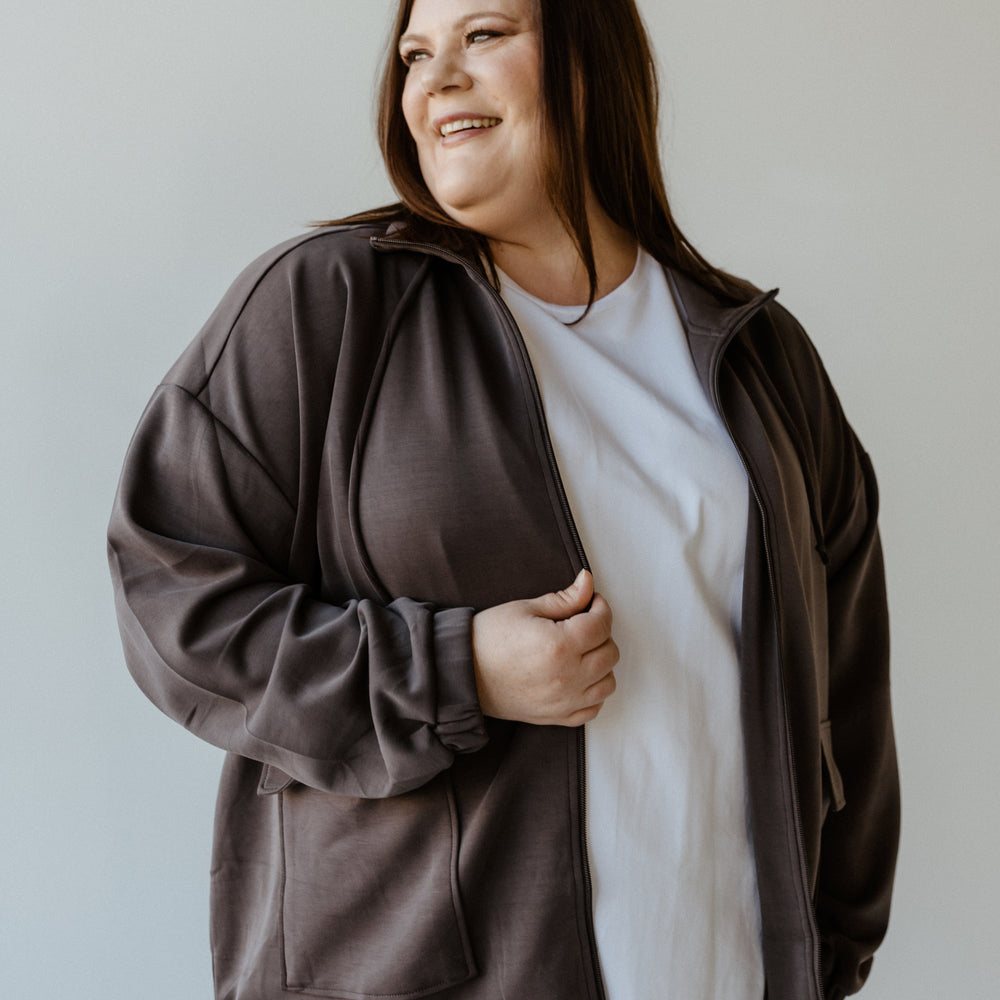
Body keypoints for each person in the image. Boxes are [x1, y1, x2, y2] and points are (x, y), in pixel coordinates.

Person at [107, 0, 899, 997]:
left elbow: (848, 695)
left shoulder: (758, 359)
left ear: (589, 54)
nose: (435, 79)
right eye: (413, 53)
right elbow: (170, 597)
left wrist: (829, 955)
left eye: (483, 35)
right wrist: (455, 672)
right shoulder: (329, 305)